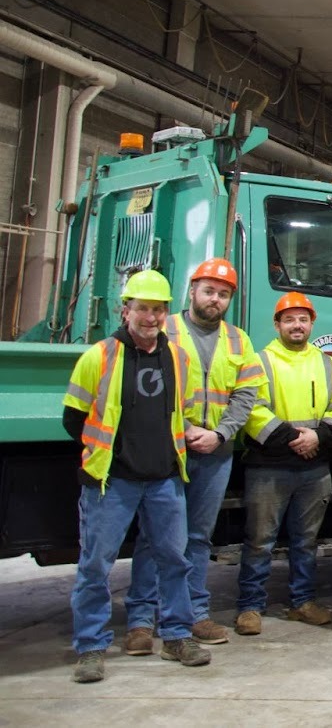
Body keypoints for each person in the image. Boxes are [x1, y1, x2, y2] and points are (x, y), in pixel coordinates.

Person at [63, 270, 209, 684]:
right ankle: (91, 647)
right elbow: (73, 417)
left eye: (158, 309)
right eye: (142, 308)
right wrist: (109, 454)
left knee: (175, 562)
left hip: (164, 480)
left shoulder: (179, 358)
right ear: (125, 310)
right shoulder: (100, 355)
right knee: (95, 567)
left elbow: (185, 411)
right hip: (112, 482)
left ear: (166, 313)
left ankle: (178, 636)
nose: (150, 317)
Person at [125, 258, 260, 650]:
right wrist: (183, 432)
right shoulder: (163, 330)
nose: (215, 299)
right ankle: (140, 621)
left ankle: (192, 614)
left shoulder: (238, 339)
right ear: (193, 292)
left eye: (223, 294)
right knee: (155, 537)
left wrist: (220, 433)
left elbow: (246, 393)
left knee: (199, 537)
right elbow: (143, 390)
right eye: (209, 291)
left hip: (215, 452)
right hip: (168, 451)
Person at [236, 292, 332, 636]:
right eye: (289, 319)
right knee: (259, 540)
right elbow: (253, 410)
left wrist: (318, 438)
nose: (297, 325)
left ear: (312, 323)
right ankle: (250, 607)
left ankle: (302, 602)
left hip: (314, 467)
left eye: (303, 319)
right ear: (277, 325)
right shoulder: (259, 362)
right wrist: (295, 440)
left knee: (306, 541)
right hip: (268, 466)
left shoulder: (328, 364)